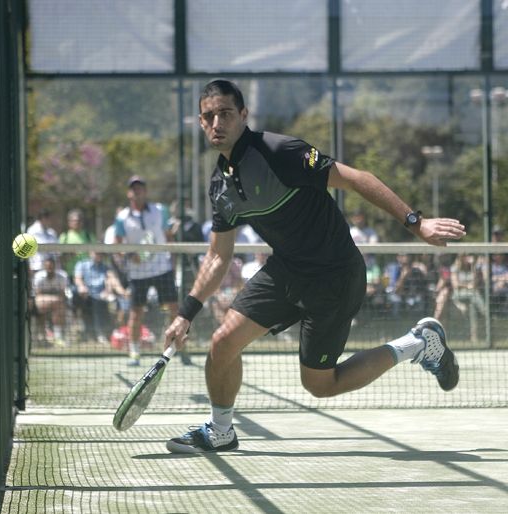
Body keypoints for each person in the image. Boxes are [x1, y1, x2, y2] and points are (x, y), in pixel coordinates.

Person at [162, 79, 465, 454]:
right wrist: (186, 313)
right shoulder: (219, 186)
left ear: (243, 115)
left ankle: (416, 344)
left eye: (225, 113)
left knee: (321, 384)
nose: (217, 123)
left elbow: (357, 179)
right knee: (222, 343)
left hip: (334, 275)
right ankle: (221, 431)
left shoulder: (281, 151)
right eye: (209, 116)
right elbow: (218, 255)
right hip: (286, 270)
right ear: (200, 122)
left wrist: (416, 223)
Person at [114, 175, 190, 366]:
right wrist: (131, 255)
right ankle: (134, 352)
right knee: (136, 313)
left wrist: (172, 262)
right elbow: (117, 245)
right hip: (137, 273)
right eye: (133, 188)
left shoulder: (160, 210)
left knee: (174, 310)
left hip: (162, 269)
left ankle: (180, 348)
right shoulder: (122, 218)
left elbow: (168, 236)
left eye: (140, 187)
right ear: (128, 193)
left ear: (145, 191)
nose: (137, 191)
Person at [30, 256, 69, 346]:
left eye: (51, 266)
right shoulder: (39, 276)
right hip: (42, 303)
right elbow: (38, 294)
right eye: (48, 267)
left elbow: (62, 294)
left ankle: (58, 337)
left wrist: (53, 299)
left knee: (60, 304)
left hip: (57, 303)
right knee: (42, 305)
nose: (50, 269)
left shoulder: (62, 276)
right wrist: (53, 298)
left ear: (55, 266)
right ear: (44, 266)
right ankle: (41, 336)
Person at [27, 208, 59, 276]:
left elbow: (57, 251)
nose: (50, 221)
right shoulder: (31, 231)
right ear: (43, 218)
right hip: (37, 267)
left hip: (51, 268)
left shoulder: (52, 232)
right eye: (48, 218)